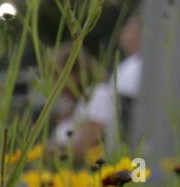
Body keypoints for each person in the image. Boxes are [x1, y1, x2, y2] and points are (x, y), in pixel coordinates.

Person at [54, 14, 141, 160]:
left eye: (56, 76)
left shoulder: (99, 95)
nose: (53, 83)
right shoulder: (73, 105)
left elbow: (86, 146)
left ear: (74, 73)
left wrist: (46, 153)